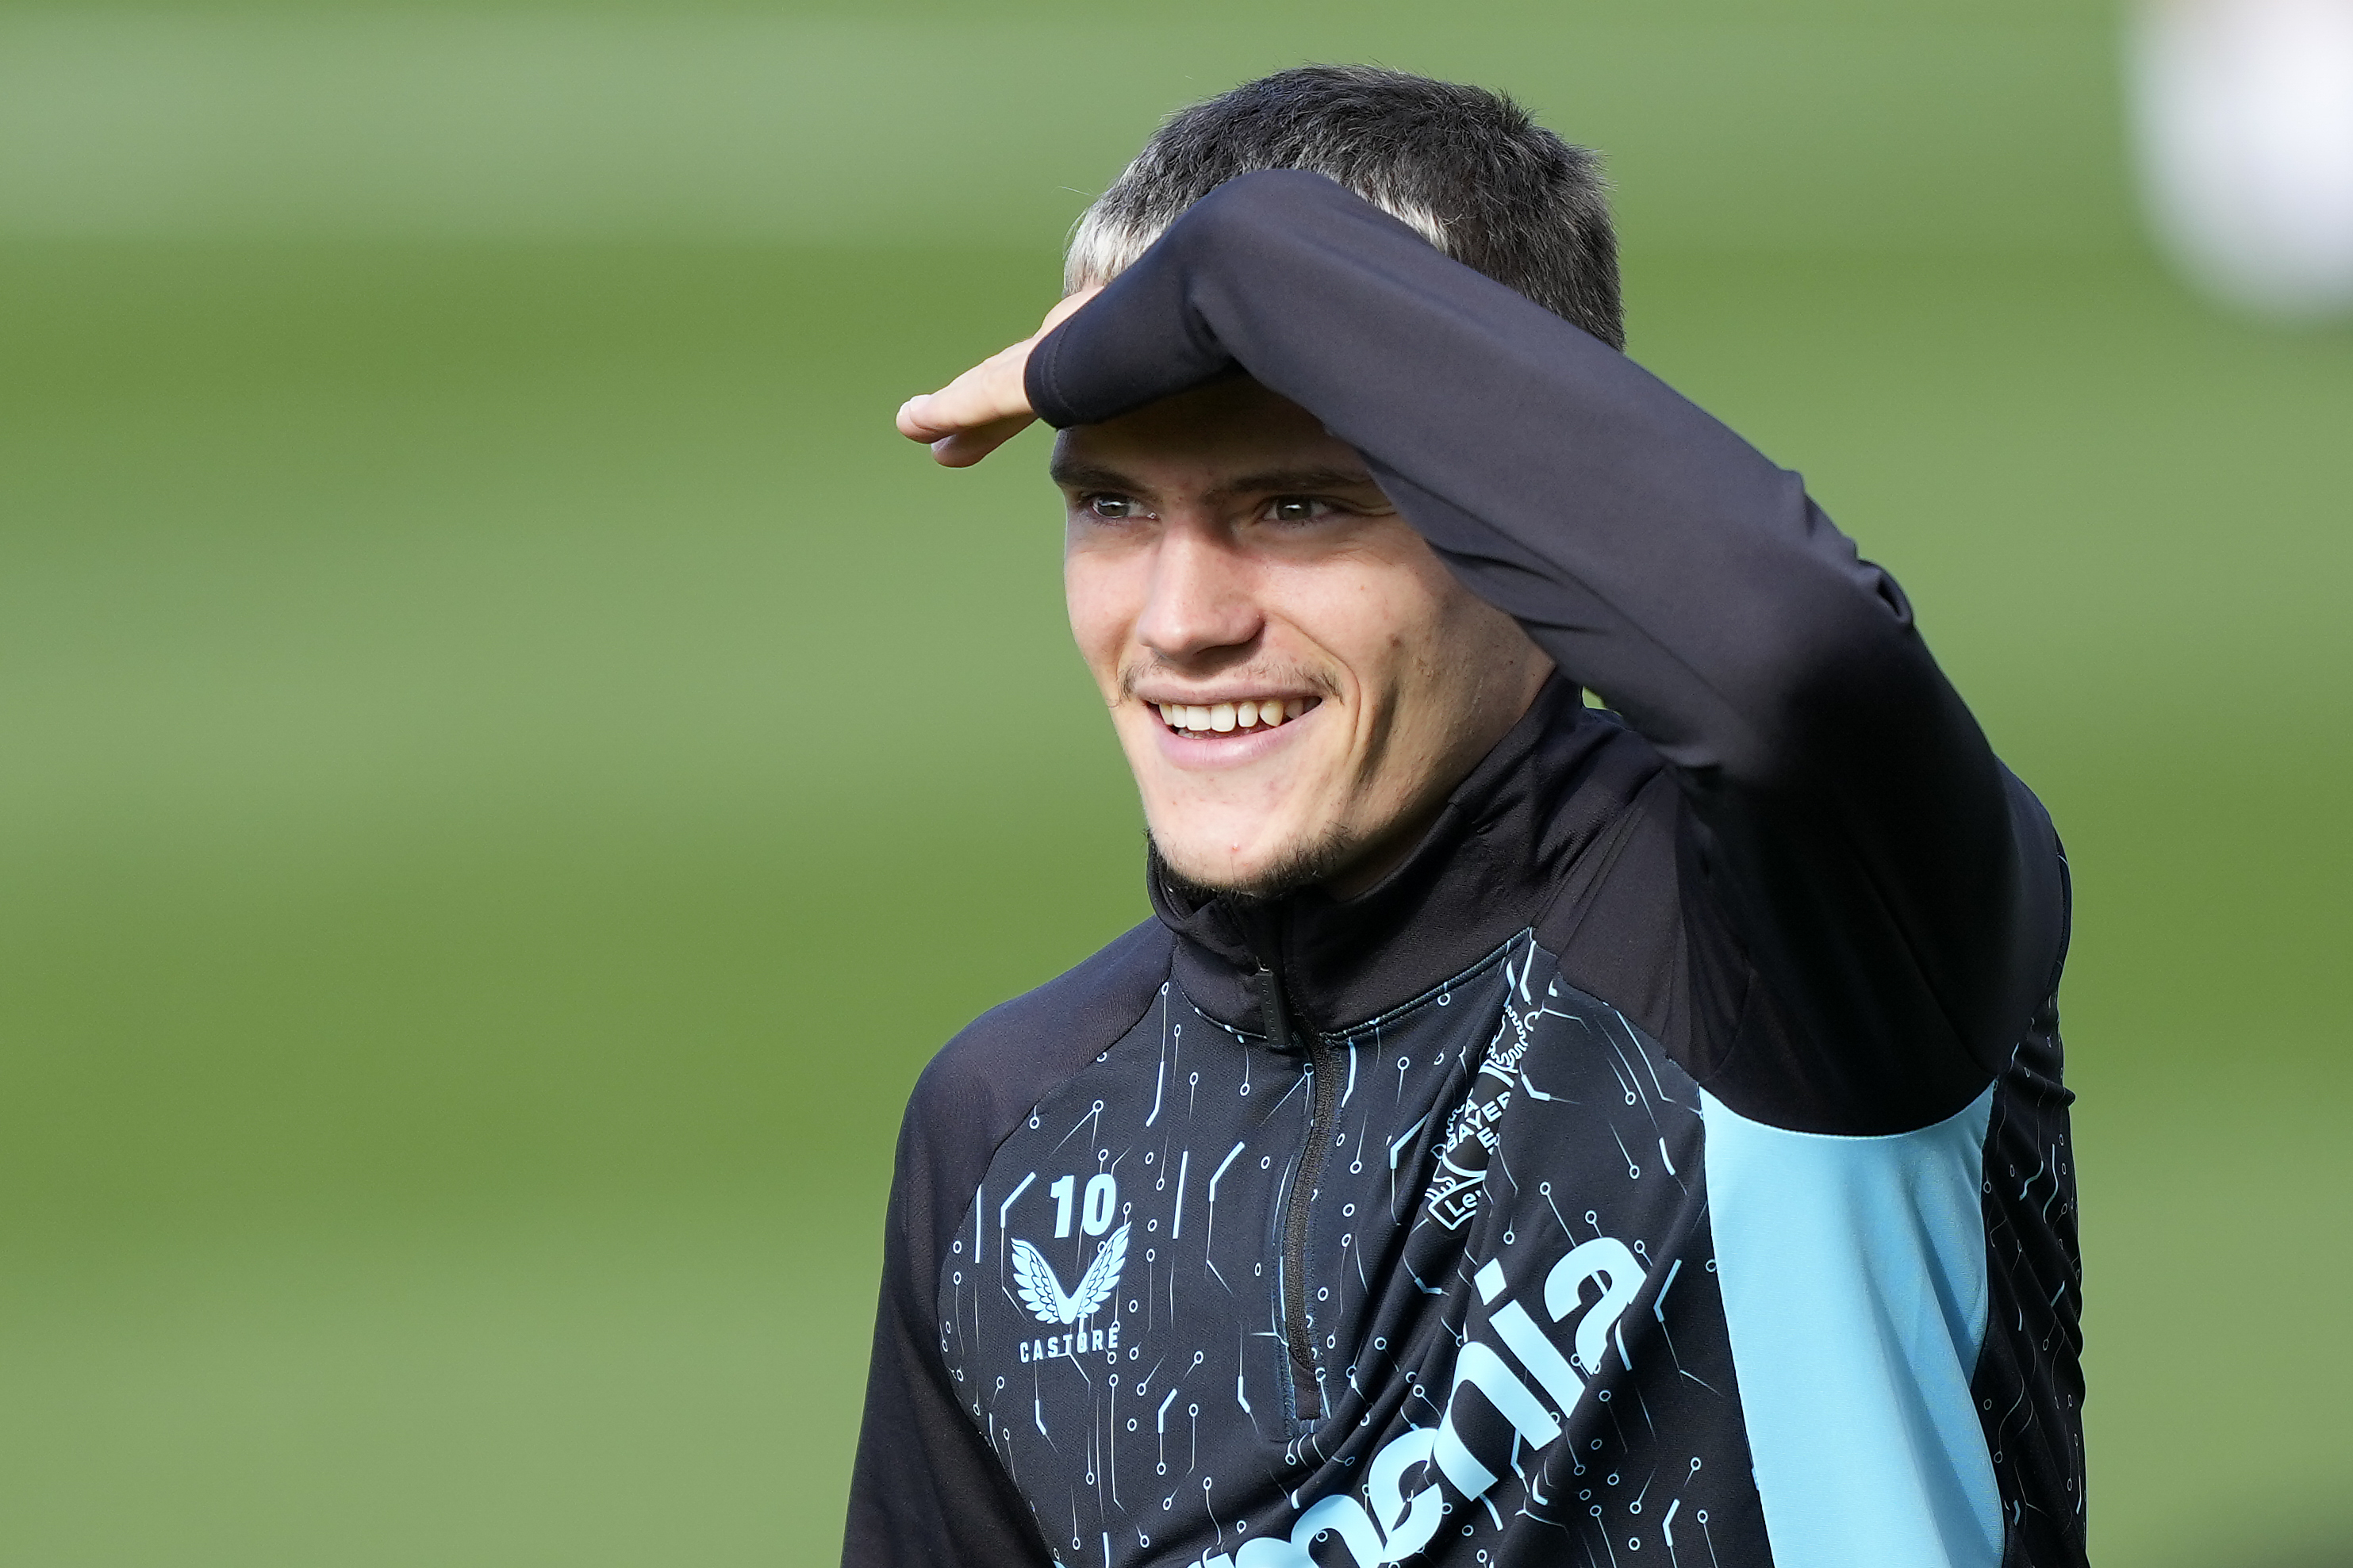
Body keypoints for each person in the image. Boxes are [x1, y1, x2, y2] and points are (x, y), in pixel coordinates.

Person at [845, 66, 2083, 1568]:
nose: (1177, 621)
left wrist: (1240, 268)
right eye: (1111, 504)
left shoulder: (1787, 930)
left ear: (1523, 525)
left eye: (1298, 503)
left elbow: (1786, 653)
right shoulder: (1004, 1136)